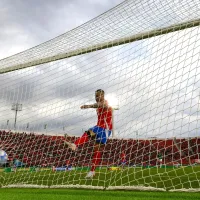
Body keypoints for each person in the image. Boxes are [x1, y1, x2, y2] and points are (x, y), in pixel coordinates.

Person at [65, 89, 113, 178]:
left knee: (89, 132)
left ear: (103, 96)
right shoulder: (98, 108)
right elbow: (98, 106)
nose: (97, 97)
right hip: (99, 127)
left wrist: (88, 106)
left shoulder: (105, 103)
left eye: (99, 95)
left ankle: (75, 145)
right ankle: (92, 171)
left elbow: (102, 105)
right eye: (96, 96)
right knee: (96, 149)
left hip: (105, 129)